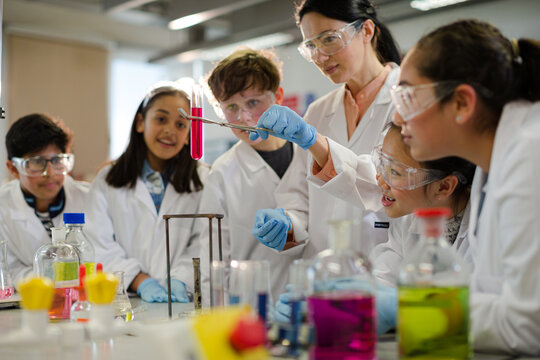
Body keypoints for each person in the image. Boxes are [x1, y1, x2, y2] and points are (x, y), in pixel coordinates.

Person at [391, 20, 540, 355]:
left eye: (408, 97)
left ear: (461, 103)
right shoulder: (494, 164)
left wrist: (423, 309)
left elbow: (530, 324)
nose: (399, 118)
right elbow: (496, 292)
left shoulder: (532, 151)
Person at [272, 123, 475, 335]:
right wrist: (333, 305)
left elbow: (488, 316)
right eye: (382, 164)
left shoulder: (484, 228)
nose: (380, 181)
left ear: (443, 187)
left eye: (394, 172)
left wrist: (401, 307)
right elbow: (383, 281)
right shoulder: (409, 220)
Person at [251, 0, 401, 259]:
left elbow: (389, 187)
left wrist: (315, 142)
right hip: (322, 275)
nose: (319, 56)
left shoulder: (405, 101)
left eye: (329, 39)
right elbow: (298, 196)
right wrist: (287, 222)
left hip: (382, 271)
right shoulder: (318, 112)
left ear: (366, 31)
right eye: (311, 46)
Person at [86, 82, 208, 303]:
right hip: (124, 299)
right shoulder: (107, 178)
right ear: (141, 122)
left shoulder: (202, 180)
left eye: (181, 124)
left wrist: (181, 278)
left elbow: (203, 241)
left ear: (189, 134)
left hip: (181, 299)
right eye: (161, 119)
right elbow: (97, 243)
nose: (170, 130)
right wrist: (140, 280)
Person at [196, 48, 298, 305]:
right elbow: (213, 265)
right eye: (231, 107)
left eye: (253, 102)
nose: (244, 117)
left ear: (278, 97)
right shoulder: (222, 173)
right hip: (250, 311)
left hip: (313, 303)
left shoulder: (310, 156)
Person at [0, 113, 89, 285]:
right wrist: (52, 277)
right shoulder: (3, 206)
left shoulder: (88, 197)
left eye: (57, 160)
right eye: (37, 162)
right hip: (31, 301)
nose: (50, 173)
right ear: (13, 168)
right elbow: (8, 271)